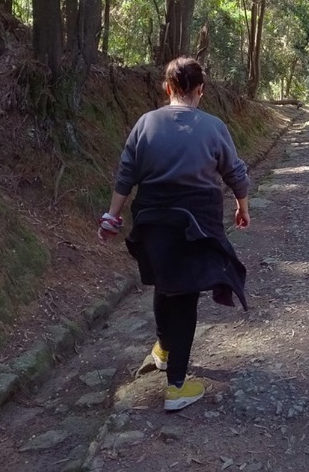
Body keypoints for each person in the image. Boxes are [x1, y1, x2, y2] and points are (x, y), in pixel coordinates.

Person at [97, 57, 251, 412]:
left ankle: (164, 351)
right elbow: (235, 172)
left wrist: (112, 216)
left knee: (167, 284)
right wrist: (243, 206)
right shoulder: (213, 127)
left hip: (152, 221)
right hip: (196, 223)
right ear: (201, 90)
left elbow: (126, 174)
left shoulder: (145, 124)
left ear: (167, 88)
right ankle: (177, 387)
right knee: (183, 295)